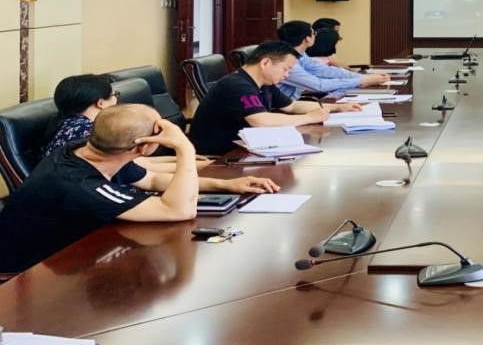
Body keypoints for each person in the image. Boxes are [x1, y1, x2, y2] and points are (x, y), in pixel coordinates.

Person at [0, 104, 280, 273]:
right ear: (143, 147)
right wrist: (184, 147)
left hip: (83, 252)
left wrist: (226, 184)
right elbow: (179, 210)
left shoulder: (90, 150)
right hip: (35, 270)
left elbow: (153, 180)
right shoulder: (78, 183)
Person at [188, 41, 360, 156]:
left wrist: (336, 108)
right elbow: (260, 121)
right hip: (220, 156)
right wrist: (308, 118)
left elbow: (291, 106)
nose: (287, 75)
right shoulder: (237, 85)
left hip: (248, 147)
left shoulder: (264, 83)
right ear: (265, 63)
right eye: (286, 69)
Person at [276, 21, 387, 99]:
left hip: (293, 104)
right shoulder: (286, 61)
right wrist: (361, 81)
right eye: (314, 33)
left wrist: (363, 77)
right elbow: (319, 85)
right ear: (307, 39)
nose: (315, 36)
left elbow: (324, 70)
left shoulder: (301, 55)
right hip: (281, 110)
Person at [42, 73, 119, 158]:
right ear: (100, 103)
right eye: (115, 95)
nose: (117, 100)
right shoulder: (88, 132)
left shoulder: (65, 122)